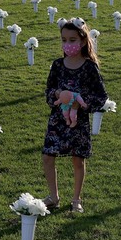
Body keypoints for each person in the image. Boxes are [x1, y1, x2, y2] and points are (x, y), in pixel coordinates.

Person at [42, 19, 108, 213]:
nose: (67, 44)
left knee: (78, 160)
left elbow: (101, 96)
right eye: (64, 40)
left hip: (78, 122)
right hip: (57, 119)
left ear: (82, 40)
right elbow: (48, 90)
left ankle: (76, 199)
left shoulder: (89, 68)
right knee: (47, 156)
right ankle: (53, 197)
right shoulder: (57, 65)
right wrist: (57, 94)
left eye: (72, 39)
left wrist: (81, 103)